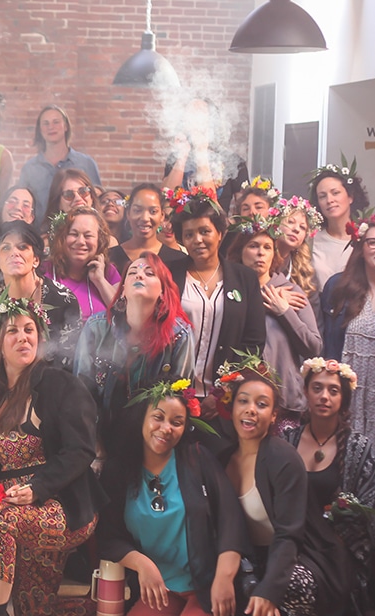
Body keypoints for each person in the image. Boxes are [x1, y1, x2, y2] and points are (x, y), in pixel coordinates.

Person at [0, 298, 104, 616]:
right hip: (11, 513)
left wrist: (38, 488)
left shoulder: (61, 385)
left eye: (29, 330)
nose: (22, 337)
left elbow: (81, 451)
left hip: (60, 504)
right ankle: (107, 607)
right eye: (12, 331)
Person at [98, 379, 247, 616]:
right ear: (142, 418)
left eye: (177, 422)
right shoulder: (119, 470)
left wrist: (225, 579)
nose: (166, 428)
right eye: (158, 417)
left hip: (208, 585)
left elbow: (231, 521)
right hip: (163, 590)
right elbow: (108, 536)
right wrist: (142, 564)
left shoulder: (197, 459)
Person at [221, 365, 349, 616]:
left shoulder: (283, 459)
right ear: (232, 408)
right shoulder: (222, 458)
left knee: (287, 587)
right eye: (243, 401)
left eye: (262, 404)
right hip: (252, 558)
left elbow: (289, 535)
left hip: (300, 555)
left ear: (274, 415)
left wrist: (269, 589)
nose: (251, 410)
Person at [279, 358, 375, 616]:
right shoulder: (286, 442)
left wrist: (341, 516)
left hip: (333, 554)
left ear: (343, 399)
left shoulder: (360, 449)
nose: (324, 396)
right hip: (289, 544)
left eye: (333, 390)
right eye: (317, 388)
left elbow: (368, 515)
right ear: (305, 392)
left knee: (295, 586)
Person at [75, 252, 194, 459]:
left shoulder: (179, 335)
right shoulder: (96, 328)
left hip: (155, 442)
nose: (140, 276)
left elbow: (178, 400)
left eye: (150, 273)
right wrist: (95, 445)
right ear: (121, 292)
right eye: (132, 272)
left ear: (163, 292)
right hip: (101, 436)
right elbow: (82, 394)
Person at [169, 188, 265, 401]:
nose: (197, 240)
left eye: (205, 231)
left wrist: (224, 391)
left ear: (220, 234)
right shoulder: (169, 274)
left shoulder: (245, 279)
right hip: (173, 395)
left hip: (224, 400)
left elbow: (254, 342)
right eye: (189, 234)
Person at [0, 221, 82, 376]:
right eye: (6, 248)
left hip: (48, 385)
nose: (14, 253)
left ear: (36, 259)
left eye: (22, 247)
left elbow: (67, 361)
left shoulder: (63, 300)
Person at [322, 217, 375, 446]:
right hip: (347, 394)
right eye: (373, 242)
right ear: (361, 248)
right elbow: (327, 345)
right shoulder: (338, 287)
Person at [226, 219, 320, 417]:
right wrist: (262, 304)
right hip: (236, 398)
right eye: (253, 246)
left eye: (267, 247)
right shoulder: (229, 291)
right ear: (240, 252)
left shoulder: (290, 291)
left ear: (274, 254)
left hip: (285, 401)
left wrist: (284, 310)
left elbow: (314, 347)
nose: (260, 253)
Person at [17, 105, 102, 225]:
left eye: (56, 122)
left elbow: (98, 200)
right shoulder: (30, 168)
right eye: (45, 123)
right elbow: (23, 203)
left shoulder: (86, 163)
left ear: (66, 126)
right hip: (40, 235)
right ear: (40, 130)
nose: (51, 127)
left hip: (78, 232)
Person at [45, 206, 121, 321]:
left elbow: (122, 314)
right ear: (62, 238)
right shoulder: (44, 269)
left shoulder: (108, 271)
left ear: (99, 240)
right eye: (74, 234)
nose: (80, 241)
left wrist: (100, 281)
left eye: (88, 236)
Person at [308, 162, 369, 290]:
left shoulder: (366, 239)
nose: (329, 200)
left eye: (335, 193)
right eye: (322, 196)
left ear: (350, 197)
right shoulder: (311, 240)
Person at [108, 184, 188, 277]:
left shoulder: (178, 259)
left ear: (162, 216)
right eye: (137, 210)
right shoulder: (110, 256)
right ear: (128, 213)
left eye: (153, 211)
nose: (145, 218)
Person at [270, 195, 322, 314]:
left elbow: (316, 322)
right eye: (290, 222)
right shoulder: (259, 257)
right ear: (276, 225)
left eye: (302, 227)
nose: (296, 229)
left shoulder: (306, 274)